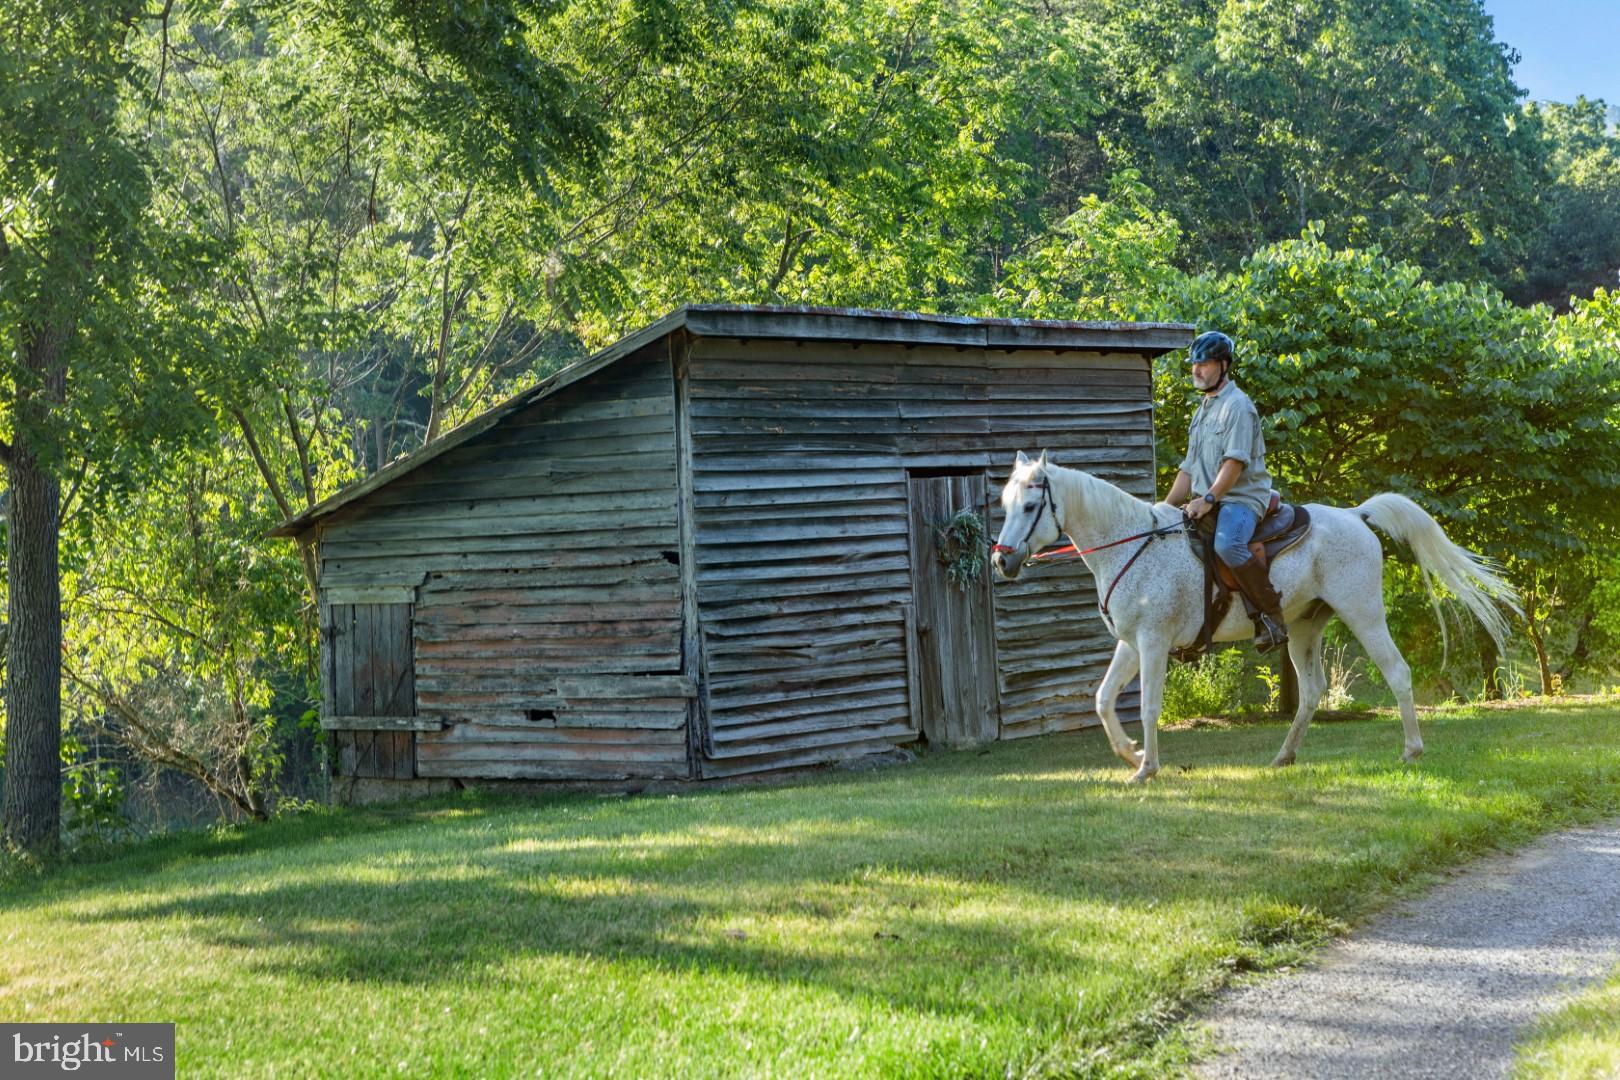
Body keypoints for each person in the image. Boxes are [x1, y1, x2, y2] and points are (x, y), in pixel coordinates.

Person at [1164, 331, 1288, 652]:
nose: (1196, 370)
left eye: (1203, 364)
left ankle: (1271, 617)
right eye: (1194, 364)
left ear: (1223, 365)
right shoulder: (1203, 410)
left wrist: (1207, 499)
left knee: (1228, 544)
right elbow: (1188, 470)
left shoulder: (1239, 407)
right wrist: (1163, 508)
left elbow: (1234, 464)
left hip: (1240, 498)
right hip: (1210, 499)